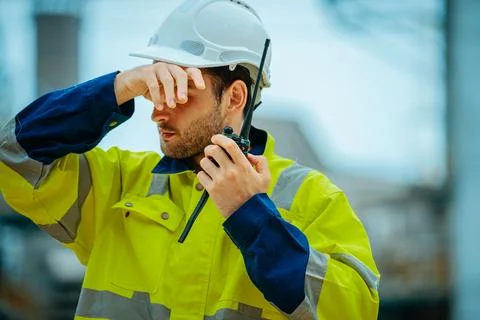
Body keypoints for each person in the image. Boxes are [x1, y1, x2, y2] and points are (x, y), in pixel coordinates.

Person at [0, 0, 380, 319]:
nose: (157, 113)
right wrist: (119, 87)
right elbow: (12, 156)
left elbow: (353, 310)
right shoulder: (117, 182)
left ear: (234, 98)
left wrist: (253, 217)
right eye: (156, 89)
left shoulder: (311, 198)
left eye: (180, 91)